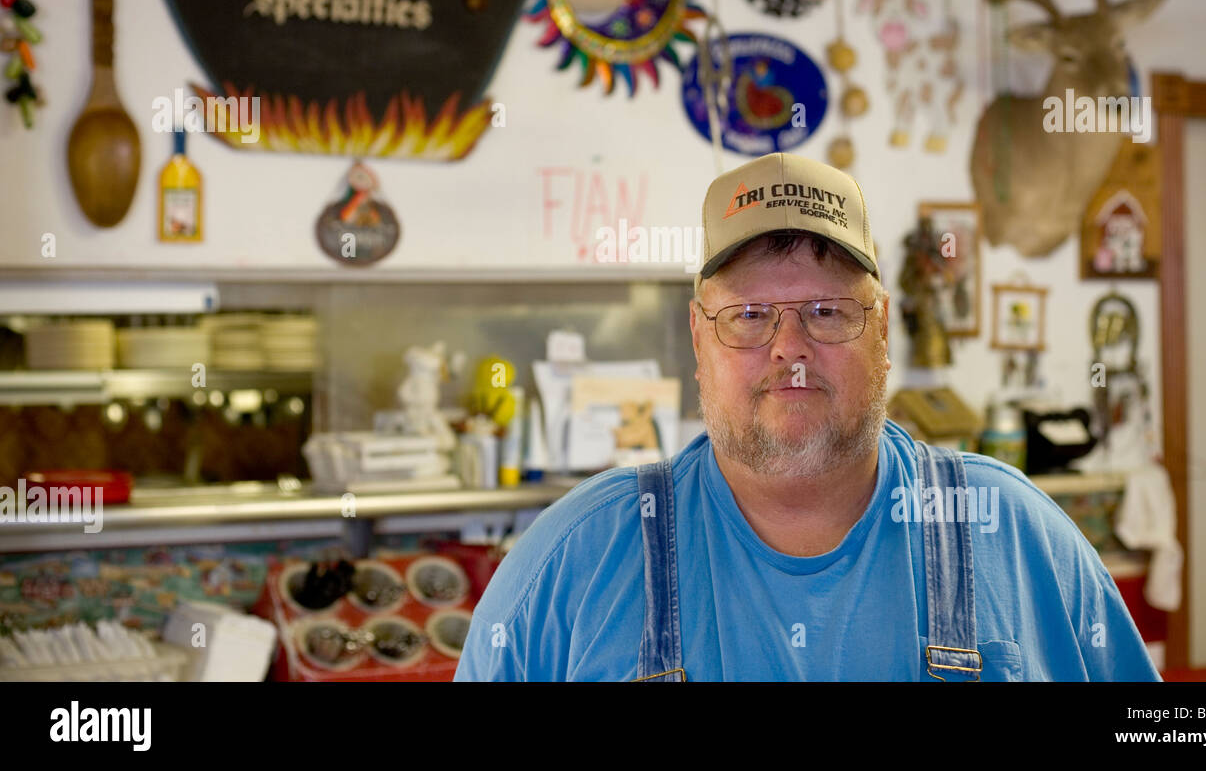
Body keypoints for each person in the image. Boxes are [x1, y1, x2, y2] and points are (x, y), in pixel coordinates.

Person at [455, 152, 1161, 681]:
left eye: (827, 311)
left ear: (882, 334)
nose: (789, 347)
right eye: (750, 314)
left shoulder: (1016, 536)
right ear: (699, 339)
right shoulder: (568, 564)